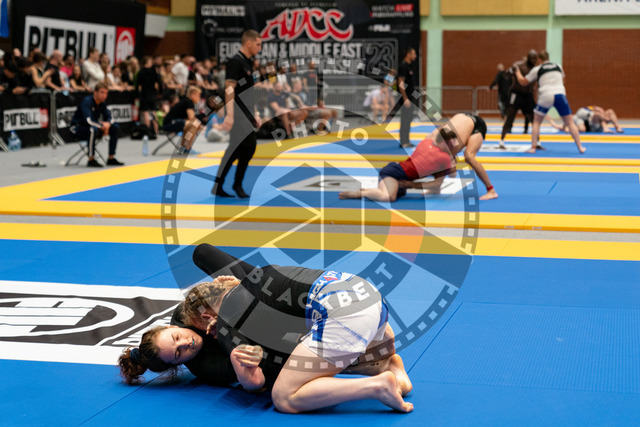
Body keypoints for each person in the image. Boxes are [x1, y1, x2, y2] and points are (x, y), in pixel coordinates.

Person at [118, 244, 413, 413]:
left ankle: (376, 386)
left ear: (206, 316)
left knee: (284, 397)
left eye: (178, 337)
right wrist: (239, 360)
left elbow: (260, 380)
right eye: (179, 353)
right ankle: (385, 364)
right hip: (369, 298)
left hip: (346, 317)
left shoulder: (227, 318)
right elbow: (255, 378)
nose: (186, 344)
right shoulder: (251, 281)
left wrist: (228, 329)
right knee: (298, 340)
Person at [339, 113, 498, 201]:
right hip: (461, 121)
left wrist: (412, 185)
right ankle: (435, 189)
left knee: (469, 156)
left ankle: (491, 190)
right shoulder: (435, 144)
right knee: (442, 163)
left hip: (476, 124)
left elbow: (452, 172)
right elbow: (448, 171)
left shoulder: (435, 143)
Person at [212, 29, 263, 199]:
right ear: (248, 43)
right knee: (249, 145)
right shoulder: (235, 62)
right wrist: (230, 115)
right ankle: (236, 184)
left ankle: (219, 185)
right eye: (258, 44)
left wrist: (255, 113)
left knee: (235, 149)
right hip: (237, 111)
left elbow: (250, 91)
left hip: (247, 112)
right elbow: (229, 89)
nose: (259, 48)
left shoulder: (248, 62)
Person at [513, 51, 585, 154]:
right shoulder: (558, 66)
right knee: (569, 122)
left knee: (536, 122)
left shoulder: (537, 69)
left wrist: (517, 72)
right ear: (548, 58)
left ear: (539, 60)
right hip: (560, 94)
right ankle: (580, 147)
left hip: (546, 95)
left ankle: (533, 147)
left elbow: (523, 82)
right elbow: (563, 81)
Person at [70, 82, 123, 167]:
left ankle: (111, 157)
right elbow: (88, 121)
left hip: (93, 126)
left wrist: (108, 124)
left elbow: (110, 117)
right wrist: (102, 126)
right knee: (92, 129)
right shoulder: (87, 101)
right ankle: (91, 159)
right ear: (95, 92)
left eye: (106, 93)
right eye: (102, 92)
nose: (104, 95)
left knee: (115, 127)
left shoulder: (102, 103)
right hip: (78, 128)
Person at [499, 50, 538, 148]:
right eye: (532, 58)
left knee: (533, 118)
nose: (533, 61)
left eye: (535, 59)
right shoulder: (519, 66)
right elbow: (506, 75)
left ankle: (537, 142)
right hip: (516, 94)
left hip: (528, 95)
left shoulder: (536, 69)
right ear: (528, 58)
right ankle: (501, 140)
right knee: (510, 117)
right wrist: (510, 70)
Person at [161, 86, 204, 153]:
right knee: (194, 125)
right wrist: (200, 126)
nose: (199, 98)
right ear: (193, 95)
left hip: (172, 122)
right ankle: (187, 148)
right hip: (170, 123)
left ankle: (183, 147)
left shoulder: (186, 101)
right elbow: (191, 118)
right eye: (198, 95)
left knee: (190, 126)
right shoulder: (188, 102)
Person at [397, 46, 418, 148]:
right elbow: (400, 83)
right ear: (408, 54)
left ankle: (406, 140)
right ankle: (403, 141)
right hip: (406, 98)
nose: (415, 56)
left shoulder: (409, 66)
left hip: (410, 97)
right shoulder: (403, 66)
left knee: (408, 119)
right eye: (413, 54)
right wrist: (405, 98)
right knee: (405, 119)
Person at [549, 105, 623, 134]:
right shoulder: (577, 118)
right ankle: (605, 128)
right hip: (592, 126)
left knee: (610, 111)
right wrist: (553, 123)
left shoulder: (592, 111)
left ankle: (617, 127)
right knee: (597, 115)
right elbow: (563, 127)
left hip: (597, 123)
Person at [137, 56, 161, 137]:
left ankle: (147, 131)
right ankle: (156, 130)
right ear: (147, 62)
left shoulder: (141, 72)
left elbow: (138, 85)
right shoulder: (153, 72)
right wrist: (160, 91)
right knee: (153, 112)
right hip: (152, 94)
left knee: (146, 113)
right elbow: (159, 82)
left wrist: (137, 95)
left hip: (145, 94)